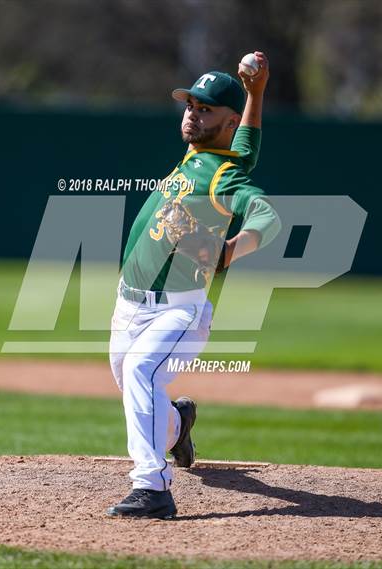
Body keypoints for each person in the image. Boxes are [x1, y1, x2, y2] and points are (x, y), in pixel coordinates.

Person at [107, 52, 281, 519]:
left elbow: (268, 215)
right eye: (191, 105)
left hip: (177, 310)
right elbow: (246, 141)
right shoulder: (203, 153)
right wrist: (255, 93)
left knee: (142, 373)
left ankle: (153, 488)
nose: (192, 113)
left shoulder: (224, 175)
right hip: (129, 305)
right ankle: (179, 423)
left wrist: (229, 251)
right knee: (136, 391)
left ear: (224, 123)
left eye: (205, 109)